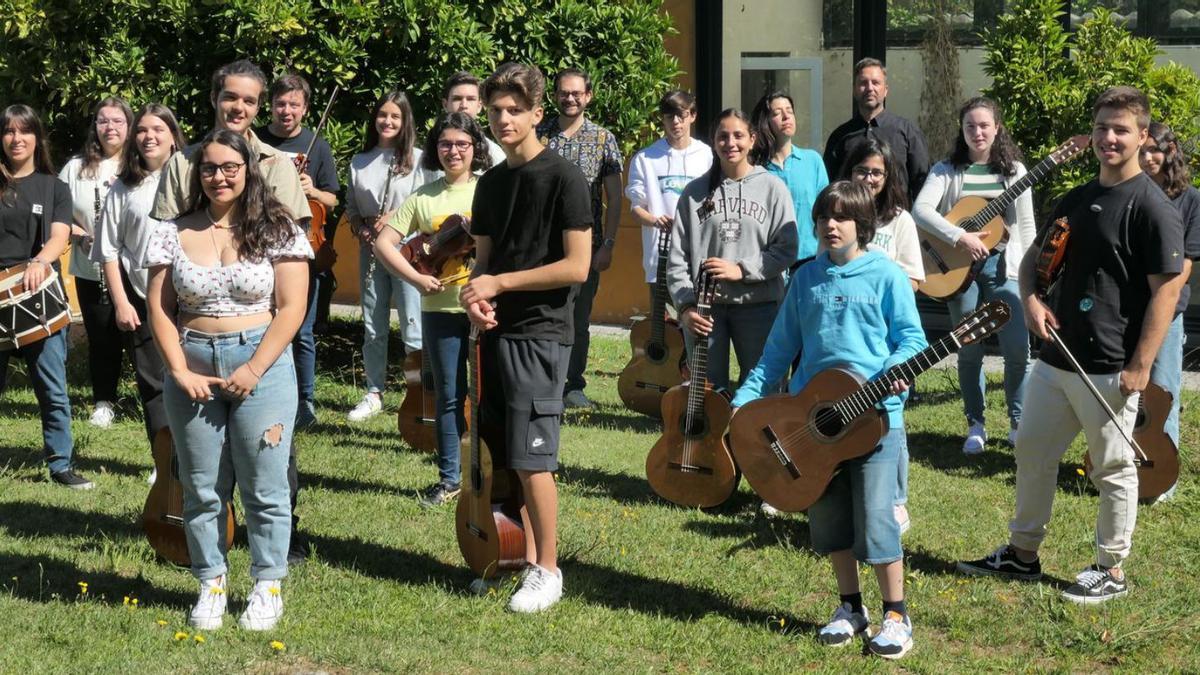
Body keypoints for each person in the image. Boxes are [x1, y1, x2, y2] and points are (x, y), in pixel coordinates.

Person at [957, 87, 1186, 604]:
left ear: (1143, 136)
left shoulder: (1152, 207)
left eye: (1122, 129)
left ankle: (1111, 569)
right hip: (1057, 359)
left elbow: (1166, 294)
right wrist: (1032, 299)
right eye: (1103, 126)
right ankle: (1022, 555)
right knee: (1032, 452)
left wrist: (1141, 367)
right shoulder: (1078, 197)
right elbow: (1033, 258)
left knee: (1111, 468)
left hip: (1109, 366)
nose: (1109, 137)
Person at [732, 180, 927, 659]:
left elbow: (913, 340)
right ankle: (849, 607)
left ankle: (896, 615)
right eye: (823, 218)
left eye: (840, 218)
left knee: (878, 519)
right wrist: (744, 401)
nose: (830, 226)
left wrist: (890, 374)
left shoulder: (886, 275)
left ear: (862, 225)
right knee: (830, 519)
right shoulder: (805, 279)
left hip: (876, 421)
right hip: (814, 423)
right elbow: (778, 351)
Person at [144, 129, 313, 631]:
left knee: (265, 486)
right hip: (192, 364)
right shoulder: (173, 231)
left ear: (248, 171)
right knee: (200, 487)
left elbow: (292, 307)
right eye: (210, 168)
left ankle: (267, 584)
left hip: (260, 362)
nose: (219, 176)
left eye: (229, 167)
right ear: (198, 174)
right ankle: (211, 582)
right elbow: (159, 307)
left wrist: (254, 367)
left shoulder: (278, 228)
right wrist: (177, 369)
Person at [460, 62, 591, 612]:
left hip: (542, 333)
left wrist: (501, 282)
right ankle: (515, 557)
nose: (504, 119)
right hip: (495, 335)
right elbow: (482, 265)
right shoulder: (490, 183)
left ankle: (548, 570)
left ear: (539, 113)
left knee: (535, 458)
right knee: (504, 456)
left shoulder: (565, 178)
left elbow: (578, 266)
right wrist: (477, 299)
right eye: (495, 110)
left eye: (515, 110)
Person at [373, 112, 492, 507]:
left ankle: (494, 474)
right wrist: (417, 278)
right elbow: (384, 243)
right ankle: (448, 478)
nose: (453, 151)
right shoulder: (424, 197)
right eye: (445, 144)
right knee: (448, 395)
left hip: (487, 309)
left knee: (491, 394)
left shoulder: (490, 188)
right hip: (439, 309)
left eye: (462, 143)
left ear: (476, 148)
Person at [913, 97, 1035, 454]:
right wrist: (959, 236)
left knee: (1017, 349)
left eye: (984, 125)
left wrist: (1028, 276)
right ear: (962, 130)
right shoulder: (946, 169)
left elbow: (1025, 225)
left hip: (1004, 269)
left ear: (997, 128)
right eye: (970, 126)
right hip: (959, 271)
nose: (978, 132)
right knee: (968, 350)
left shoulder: (1015, 171)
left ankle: (1018, 422)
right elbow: (920, 210)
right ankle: (975, 424)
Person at [666, 108, 798, 393]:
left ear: (752, 139)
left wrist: (741, 269)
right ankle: (713, 440)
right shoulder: (694, 193)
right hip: (705, 310)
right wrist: (686, 306)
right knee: (707, 395)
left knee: (764, 390)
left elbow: (787, 249)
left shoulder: (773, 188)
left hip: (759, 306)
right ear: (714, 142)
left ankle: (758, 440)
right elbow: (677, 258)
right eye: (722, 137)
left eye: (738, 135)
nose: (730, 143)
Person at [91, 103, 186, 479]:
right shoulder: (123, 187)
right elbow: (109, 251)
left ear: (173, 136)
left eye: (158, 129)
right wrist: (120, 303)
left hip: (194, 301)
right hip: (144, 301)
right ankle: (165, 462)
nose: (149, 137)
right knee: (155, 385)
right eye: (143, 130)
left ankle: (197, 458)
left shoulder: (194, 178)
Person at [0, 104, 92, 489]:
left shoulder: (54, 186)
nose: (16, 138)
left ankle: (60, 464)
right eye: (8, 131)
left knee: (52, 387)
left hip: (39, 294)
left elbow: (59, 235)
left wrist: (40, 261)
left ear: (37, 138)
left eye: (24, 131)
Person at [841, 137, 923, 534]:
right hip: (846, 335)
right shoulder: (840, 216)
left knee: (891, 417)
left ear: (887, 177)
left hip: (886, 337)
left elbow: (914, 279)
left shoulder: (900, 220)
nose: (869, 178)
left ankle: (897, 499)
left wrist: (878, 283)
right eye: (862, 170)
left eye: (876, 172)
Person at [257, 72, 340, 431]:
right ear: (271, 106)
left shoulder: (317, 146)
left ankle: (305, 400)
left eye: (294, 104)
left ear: (305, 109)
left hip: (305, 246)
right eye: (280, 103)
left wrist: (312, 189)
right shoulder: (256, 140)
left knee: (302, 332)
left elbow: (334, 200)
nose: (286, 110)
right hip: (259, 242)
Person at [536, 67, 623, 410]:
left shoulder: (604, 139)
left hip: (587, 247)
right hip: (540, 247)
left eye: (576, 93)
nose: (569, 98)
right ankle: (544, 382)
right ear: (554, 96)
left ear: (588, 96)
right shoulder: (537, 135)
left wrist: (609, 244)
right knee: (542, 316)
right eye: (563, 92)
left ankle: (573, 385)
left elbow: (615, 198)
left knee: (578, 318)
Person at [344, 90, 429, 422]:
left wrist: (394, 216)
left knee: (412, 324)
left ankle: (418, 393)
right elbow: (352, 207)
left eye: (395, 116)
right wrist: (360, 227)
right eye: (383, 115)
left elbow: (426, 203)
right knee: (373, 325)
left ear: (405, 120)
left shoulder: (419, 159)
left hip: (407, 251)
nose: (388, 121)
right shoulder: (359, 161)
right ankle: (374, 392)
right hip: (372, 251)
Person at [152, 59, 310, 224]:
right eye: (230, 97)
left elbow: (288, 238)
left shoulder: (277, 164)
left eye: (249, 101)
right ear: (214, 98)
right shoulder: (181, 164)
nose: (238, 107)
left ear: (258, 107)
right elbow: (165, 236)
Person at [59, 97, 133, 428]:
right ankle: (104, 401)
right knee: (101, 337)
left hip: (137, 268)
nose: (110, 127)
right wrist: (80, 234)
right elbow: (55, 211)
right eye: (103, 121)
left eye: (117, 121)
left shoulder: (139, 163)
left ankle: (152, 397)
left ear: (129, 126)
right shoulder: (75, 167)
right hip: (92, 268)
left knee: (142, 337)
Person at [1138, 121, 1198, 500]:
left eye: (1154, 151)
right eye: (1142, 151)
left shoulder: (1190, 199)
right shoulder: (1132, 191)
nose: (1147, 159)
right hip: (1126, 308)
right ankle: (1124, 464)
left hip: (1168, 310)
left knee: (1163, 391)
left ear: (1170, 151)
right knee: (1128, 392)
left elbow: (1187, 260)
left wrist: (1165, 302)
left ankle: (1164, 476)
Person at [625, 89, 713, 308]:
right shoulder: (645, 158)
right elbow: (636, 209)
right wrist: (655, 221)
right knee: (664, 332)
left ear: (692, 116)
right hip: (660, 257)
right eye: (669, 116)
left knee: (698, 327)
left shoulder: (708, 155)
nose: (675, 122)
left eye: (681, 115)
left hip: (700, 256)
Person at [823, 58, 929, 203]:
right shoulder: (840, 136)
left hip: (896, 219)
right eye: (863, 83)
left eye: (875, 82)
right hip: (853, 221)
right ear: (854, 90)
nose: (869, 88)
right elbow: (831, 184)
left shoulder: (907, 132)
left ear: (885, 90)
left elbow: (922, 182)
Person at [751, 90, 829, 261]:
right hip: (768, 261)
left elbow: (826, 211)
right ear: (765, 122)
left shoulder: (812, 160)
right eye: (777, 113)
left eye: (790, 111)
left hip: (809, 259)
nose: (786, 117)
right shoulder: (755, 168)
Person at [442, 70, 507, 167]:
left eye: (470, 99)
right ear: (445, 104)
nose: (464, 105)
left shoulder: (495, 155)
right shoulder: (432, 153)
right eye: (457, 99)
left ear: (479, 106)